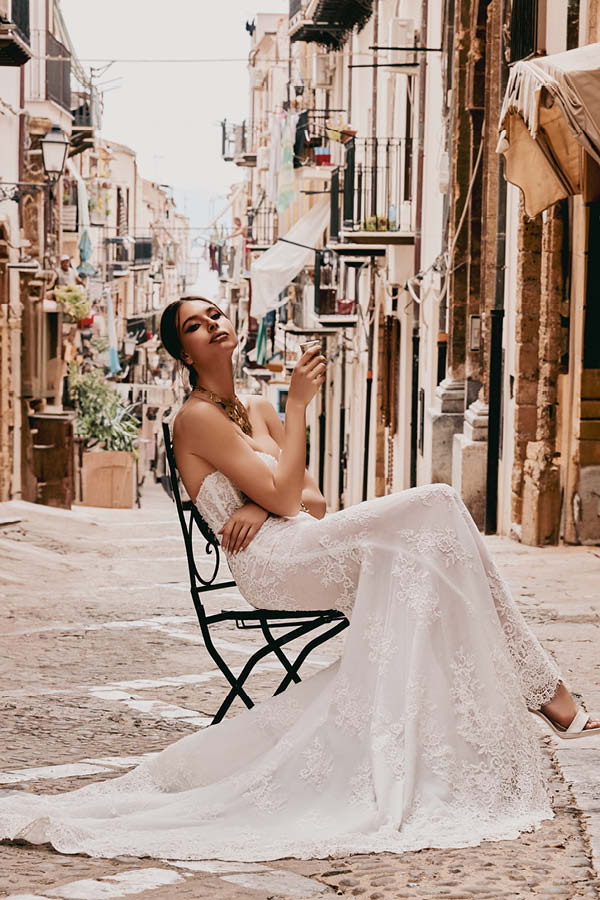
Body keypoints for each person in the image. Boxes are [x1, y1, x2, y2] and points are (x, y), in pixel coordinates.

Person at [1, 294, 598, 863]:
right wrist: (297, 416)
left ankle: (515, 704)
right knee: (437, 504)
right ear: (184, 353)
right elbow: (292, 497)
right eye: (194, 326)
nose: (212, 324)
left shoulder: (258, 407)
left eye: (215, 314)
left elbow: (311, 498)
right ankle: (543, 692)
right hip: (273, 564)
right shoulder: (196, 419)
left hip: (302, 538)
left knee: (433, 550)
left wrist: (259, 503)